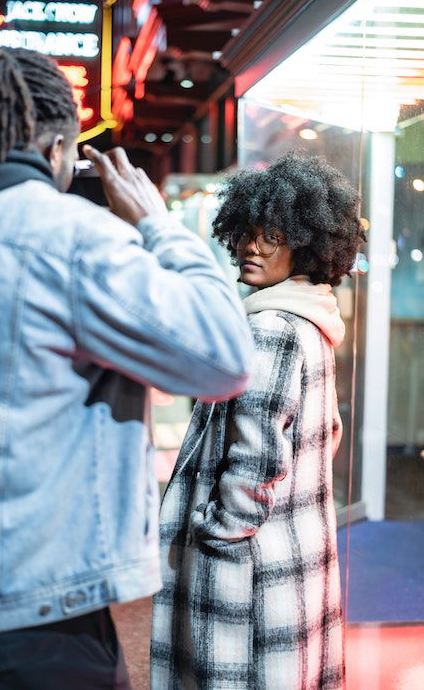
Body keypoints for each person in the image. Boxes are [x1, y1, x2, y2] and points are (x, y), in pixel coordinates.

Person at [0, 46, 254, 688]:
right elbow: (223, 356)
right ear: (58, 148)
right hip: (35, 616)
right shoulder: (66, 236)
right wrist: (158, 224)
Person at [151, 151, 366, 689]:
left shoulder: (268, 326)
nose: (252, 246)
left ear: (306, 242)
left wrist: (218, 534)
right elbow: (326, 436)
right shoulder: (313, 322)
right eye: (247, 231)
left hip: (246, 568)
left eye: (273, 234)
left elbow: (256, 459)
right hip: (294, 554)